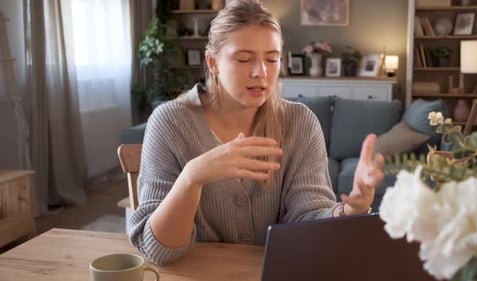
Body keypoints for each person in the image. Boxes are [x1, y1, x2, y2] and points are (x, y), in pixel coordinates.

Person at [129, 0, 384, 266]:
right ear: (213, 63)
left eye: (272, 59)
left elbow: (308, 220)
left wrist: (350, 210)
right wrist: (192, 177)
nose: (261, 72)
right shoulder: (170, 122)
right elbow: (158, 251)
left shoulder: (300, 122)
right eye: (243, 59)